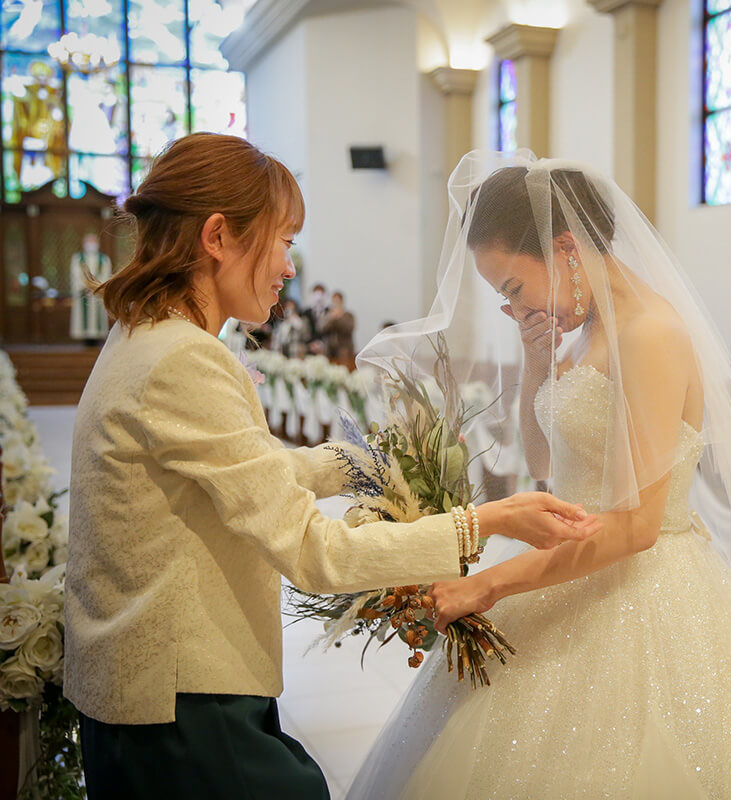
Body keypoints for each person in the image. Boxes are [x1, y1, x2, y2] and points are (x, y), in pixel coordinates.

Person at [348, 152, 731, 799]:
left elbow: (637, 526)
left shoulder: (651, 333)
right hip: (569, 559)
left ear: (565, 249)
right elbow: (545, 464)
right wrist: (535, 360)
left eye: (514, 288)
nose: (513, 306)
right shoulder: (586, 332)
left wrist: (490, 584)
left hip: (640, 585)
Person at [65, 134, 600, 800]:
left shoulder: (151, 339)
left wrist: (366, 461)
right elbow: (314, 552)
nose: (288, 268)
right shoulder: (183, 359)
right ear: (217, 236)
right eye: (284, 241)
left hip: (165, 687)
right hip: (176, 699)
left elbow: (246, 474)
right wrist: (483, 521)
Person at [69, 233, 112, 344]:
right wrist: (86, 285)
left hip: (97, 292)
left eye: (93, 242)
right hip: (83, 293)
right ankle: (85, 339)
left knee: (97, 317)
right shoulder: (78, 259)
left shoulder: (104, 259)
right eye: (89, 242)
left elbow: (106, 276)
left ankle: (96, 338)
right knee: (83, 318)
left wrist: (96, 287)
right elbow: (76, 275)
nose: (91, 245)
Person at [318, 289, 356, 363]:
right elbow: (322, 329)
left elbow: (348, 329)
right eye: (334, 301)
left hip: (344, 348)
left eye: (337, 301)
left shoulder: (348, 315)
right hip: (330, 349)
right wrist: (331, 319)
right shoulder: (328, 315)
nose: (336, 304)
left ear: (342, 302)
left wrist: (339, 318)